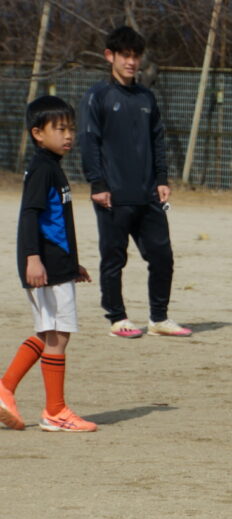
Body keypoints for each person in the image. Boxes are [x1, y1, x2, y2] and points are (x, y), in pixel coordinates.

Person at [79, 26, 191, 339]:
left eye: (135, 56)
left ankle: (159, 319)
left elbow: (157, 140)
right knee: (114, 258)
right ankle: (117, 318)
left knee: (162, 257)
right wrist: (97, 183)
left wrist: (162, 178)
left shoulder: (146, 97)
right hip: (112, 195)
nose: (131, 62)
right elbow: (88, 142)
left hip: (148, 194)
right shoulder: (97, 96)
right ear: (110, 56)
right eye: (125, 55)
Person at [0, 96, 96, 433]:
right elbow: (30, 215)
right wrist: (33, 258)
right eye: (60, 129)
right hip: (45, 265)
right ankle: (55, 411)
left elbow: (56, 222)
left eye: (71, 128)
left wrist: (73, 264)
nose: (68, 135)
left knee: (46, 334)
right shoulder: (43, 169)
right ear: (38, 133)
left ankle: (5, 389)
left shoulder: (51, 166)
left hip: (56, 263)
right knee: (58, 335)